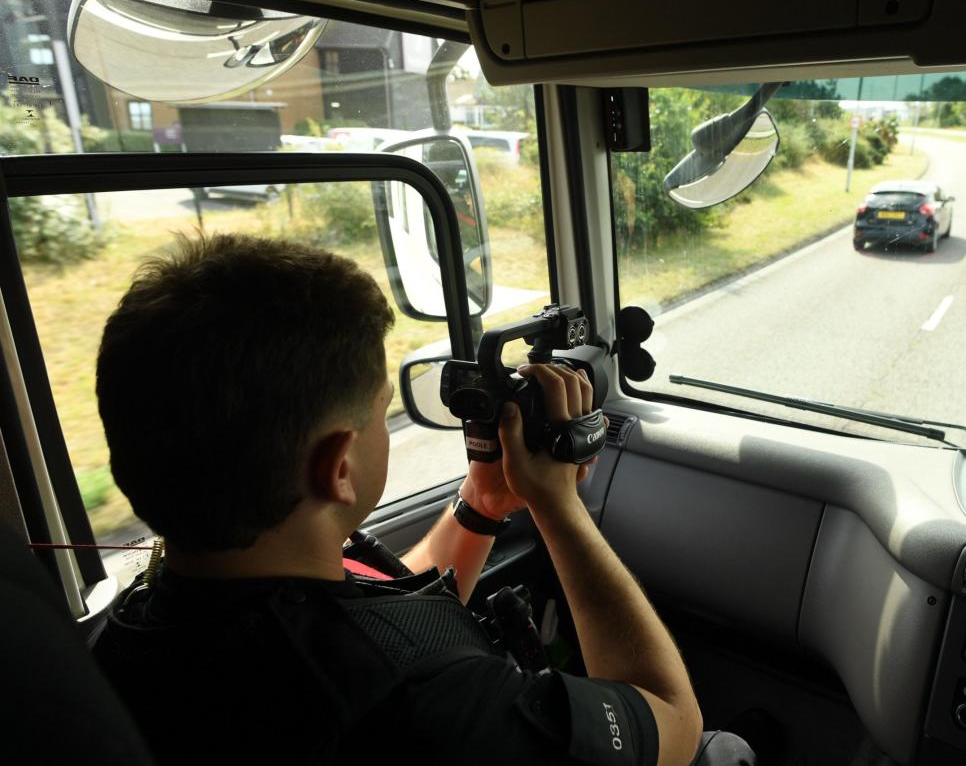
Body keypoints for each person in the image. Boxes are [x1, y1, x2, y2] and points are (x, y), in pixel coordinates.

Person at [91, 233, 753, 765]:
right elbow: (666, 715)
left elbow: (389, 617)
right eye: (382, 413)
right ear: (339, 465)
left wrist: (482, 502)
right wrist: (560, 508)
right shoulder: (431, 704)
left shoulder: (131, 636)